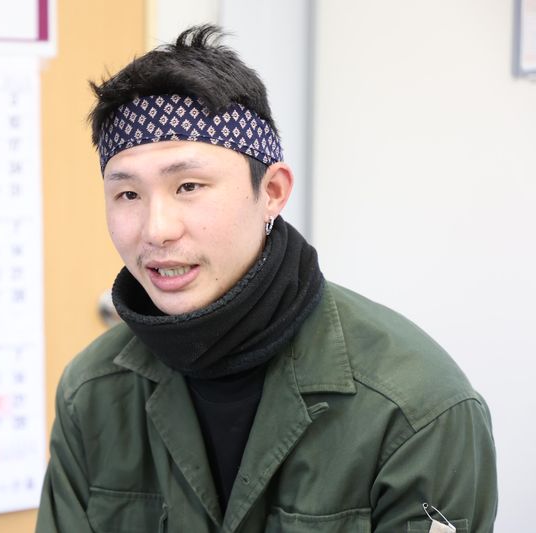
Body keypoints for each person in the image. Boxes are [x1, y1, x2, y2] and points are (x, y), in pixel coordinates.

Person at [36, 25, 497, 532]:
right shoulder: (91, 392)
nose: (156, 229)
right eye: (128, 194)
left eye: (189, 186)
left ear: (272, 192)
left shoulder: (415, 408)